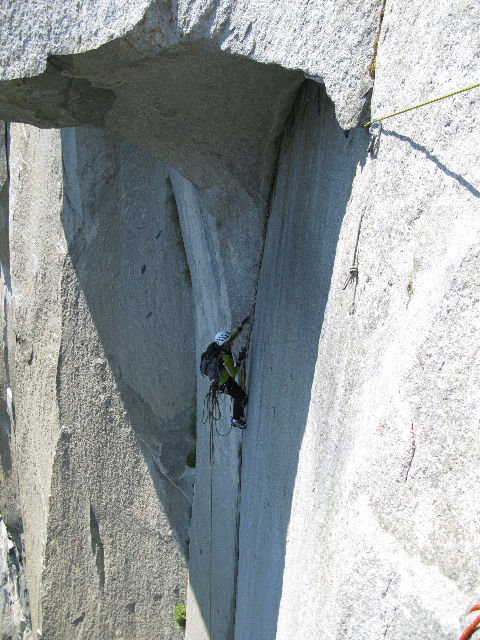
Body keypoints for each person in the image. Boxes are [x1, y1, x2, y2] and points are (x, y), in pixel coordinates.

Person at [214, 316, 250, 428]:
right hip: (225, 383)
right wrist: (239, 359)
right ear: (225, 343)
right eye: (229, 341)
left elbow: (232, 335)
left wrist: (242, 325)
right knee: (242, 398)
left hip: (223, 381)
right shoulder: (225, 357)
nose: (231, 342)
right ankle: (236, 419)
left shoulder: (221, 347)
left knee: (239, 396)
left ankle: (238, 416)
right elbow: (233, 373)